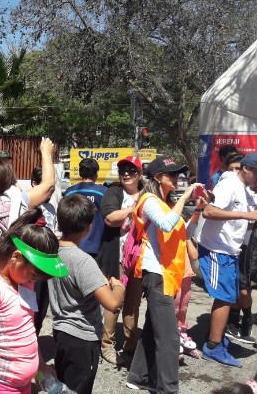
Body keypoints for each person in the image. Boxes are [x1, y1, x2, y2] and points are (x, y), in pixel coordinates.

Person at [0, 209, 68, 394]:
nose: (35, 280)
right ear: (16, 257)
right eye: (34, 274)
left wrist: (40, 367)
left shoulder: (23, 281)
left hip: (22, 387)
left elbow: (26, 330)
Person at [126, 157, 201, 393]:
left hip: (166, 273)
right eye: (172, 174)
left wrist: (198, 210)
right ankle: (168, 389)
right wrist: (185, 197)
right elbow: (166, 225)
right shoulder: (149, 200)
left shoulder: (167, 203)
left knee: (152, 330)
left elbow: (184, 233)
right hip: (156, 274)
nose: (177, 178)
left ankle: (138, 376)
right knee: (169, 337)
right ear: (158, 177)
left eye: (178, 174)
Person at [48, 194, 125, 394]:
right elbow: (112, 303)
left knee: (63, 387)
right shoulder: (83, 261)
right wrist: (118, 286)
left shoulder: (52, 252)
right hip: (82, 337)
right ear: (88, 227)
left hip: (61, 332)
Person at [199, 152, 257, 368]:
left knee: (229, 297)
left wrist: (255, 217)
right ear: (246, 168)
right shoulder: (229, 184)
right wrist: (245, 215)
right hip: (216, 248)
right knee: (224, 298)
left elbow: (238, 220)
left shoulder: (243, 187)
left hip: (230, 249)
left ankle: (218, 338)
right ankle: (213, 346)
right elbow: (208, 211)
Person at [98, 156, 144, 365]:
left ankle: (130, 345)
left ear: (140, 174)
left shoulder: (148, 193)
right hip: (118, 256)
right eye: (123, 170)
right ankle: (107, 344)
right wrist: (136, 208)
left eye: (131, 170)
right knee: (114, 302)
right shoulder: (114, 192)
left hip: (140, 258)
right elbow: (110, 218)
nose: (126, 174)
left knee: (133, 304)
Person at [225, 180, 257, 345]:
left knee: (243, 289)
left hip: (249, 247)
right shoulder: (231, 186)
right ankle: (233, 321)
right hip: (231, 245)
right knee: (235, 286)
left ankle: (247, 318)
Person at [30, 165, 58, 336]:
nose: (50, 192)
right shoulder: (27, 206)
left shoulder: (52, 208)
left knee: (43, 303)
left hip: (48, 261)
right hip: (32, 262)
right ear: (35, 184)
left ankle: (36, 334)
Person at [64, 158, 107, 259]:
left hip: (71, 245)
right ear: (96, 174)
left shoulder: (69, 192)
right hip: (96, 246)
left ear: (80, 173)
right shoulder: (104, 192)